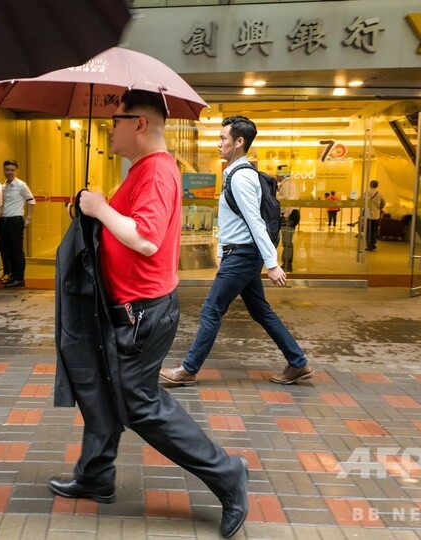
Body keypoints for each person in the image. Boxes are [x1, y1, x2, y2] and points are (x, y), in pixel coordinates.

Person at [49, 90, 249, 539]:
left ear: (139, 123)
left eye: (115, 120)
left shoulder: (157, 171)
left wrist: (99, 208)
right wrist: (92, 209)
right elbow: (124, 228)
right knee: (102, 388)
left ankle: (227, 472)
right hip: (126, 309)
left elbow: (146, 239)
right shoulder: (143, 169)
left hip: (142, 316)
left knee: (139, 405)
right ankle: (96, 475)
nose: (109, 128)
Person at [160, 115, 314, 387]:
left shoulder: (241, 177)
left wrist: (272, 263)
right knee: (260, 311)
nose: (219, 143)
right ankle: (298, 363)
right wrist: (221, 249)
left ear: (239, 142)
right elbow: (232, 217)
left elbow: (254, 221)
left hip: (243, 255)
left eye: (223, 138)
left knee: (211, 310)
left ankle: (188, 369)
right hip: (239, 253)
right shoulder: (233, 173)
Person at [0, 159, 34, 288]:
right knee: (8, 250)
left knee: (17, 251)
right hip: (5, 221)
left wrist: (28, 218)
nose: (9, 172)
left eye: (12, 170)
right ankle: (13, 275)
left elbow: (31, 201)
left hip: (15, 221)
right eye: (7, 170)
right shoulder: (5, 185)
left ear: (16, 171)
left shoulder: (21, 185)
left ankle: (19, 278)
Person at [362, 180, 385, 251]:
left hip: (368, 214)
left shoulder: (366, 193)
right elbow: (383, 203)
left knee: (367, 230)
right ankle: (373, 244)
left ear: (370, 185)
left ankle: (368, 245)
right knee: (374, 230)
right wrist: (379, 208)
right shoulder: (380, 194)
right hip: (376, 215)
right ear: (377, 185)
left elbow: (362, 201)